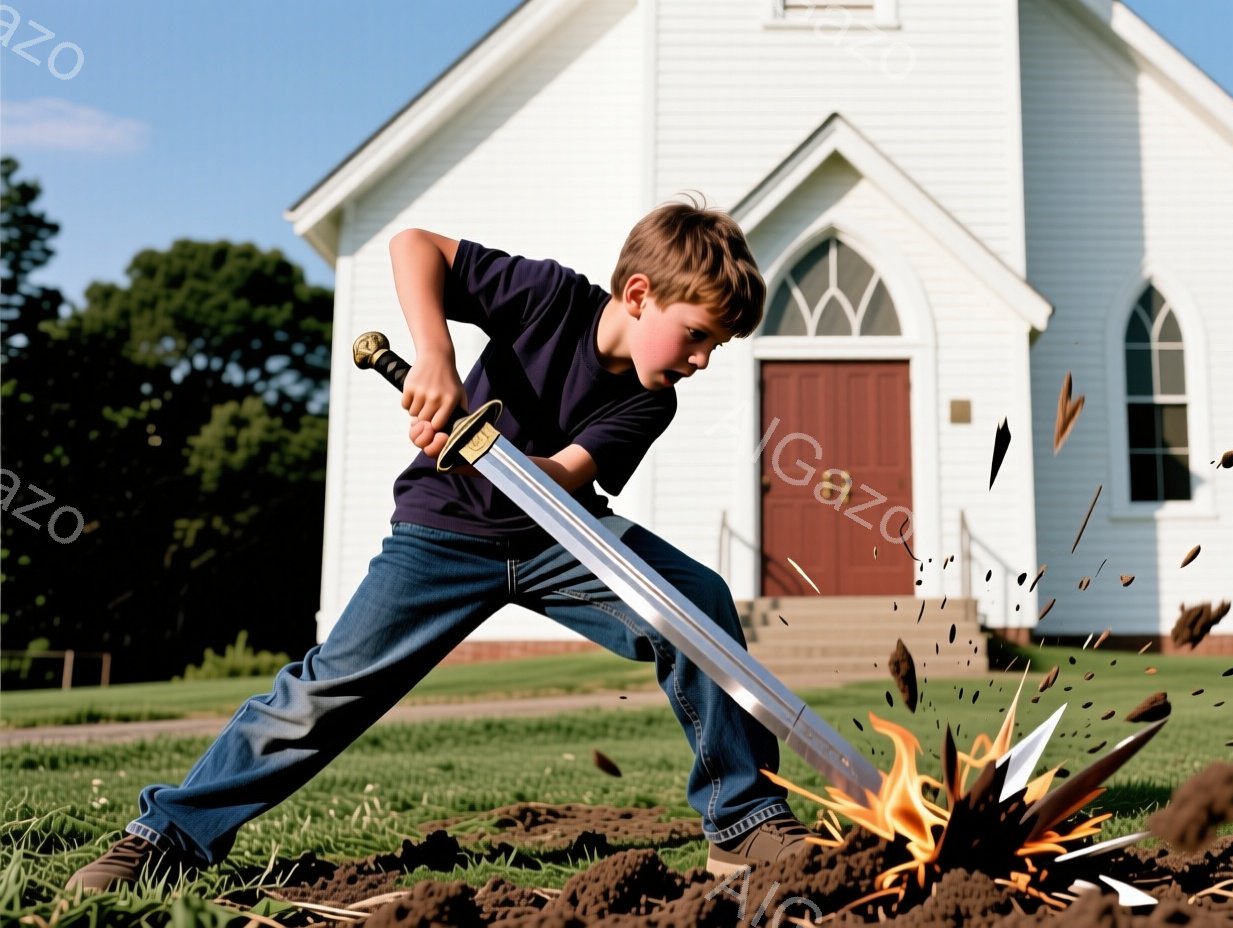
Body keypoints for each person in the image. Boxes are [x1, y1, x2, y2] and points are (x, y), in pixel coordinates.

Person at [66, 198, 810, 892]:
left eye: (716, 345)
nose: (703, 360)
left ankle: (743, 823)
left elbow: (558, 477)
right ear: (640, 294)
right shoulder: (549, 297)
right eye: (698, 335)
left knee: (697, 602)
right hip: (443, 531)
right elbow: (415, 245)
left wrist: (495, 454)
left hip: (561, 536)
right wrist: (434, 355)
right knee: (326, 691)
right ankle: (166, 836)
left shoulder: (652, 399)